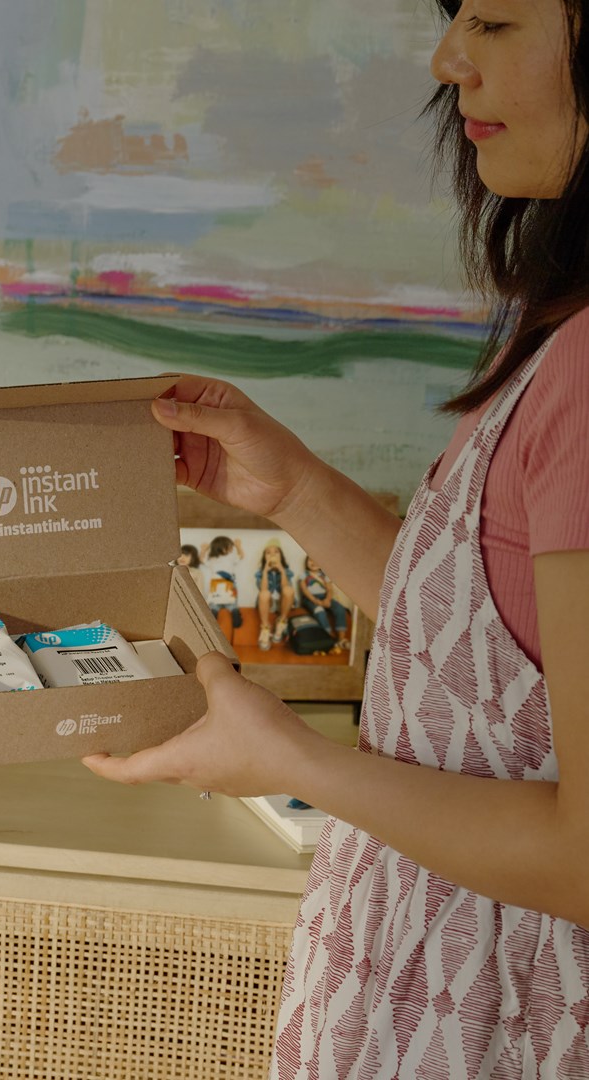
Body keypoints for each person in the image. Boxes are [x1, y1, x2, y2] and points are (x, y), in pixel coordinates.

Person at [83, 2, 589, 1075]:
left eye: (496, 23)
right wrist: (295, 492)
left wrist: (289, 758)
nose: (449, 62)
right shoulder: (567, 337)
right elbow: (494, 663)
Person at [296, 554, 349, 652]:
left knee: (340, 609)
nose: (313, 563)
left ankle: (341, 638)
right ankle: (329, 636)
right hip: (310, 599)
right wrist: (316, 601)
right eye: (310, 560)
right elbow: (305, 590)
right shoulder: (304, 575)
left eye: (316, 560)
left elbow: (329, 589)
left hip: (325, 597)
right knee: (320, 611)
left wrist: (327, 599)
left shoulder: (324, 575)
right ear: (306, 562)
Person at [253, 539, 294, 651]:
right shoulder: (260, 573)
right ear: (264, 557)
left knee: (288, 590)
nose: (272, 555)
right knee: (264, 593)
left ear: (281, 556)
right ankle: (265, 628)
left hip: (282, 603)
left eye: (276, 552)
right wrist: (265, 571)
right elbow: (263, 589)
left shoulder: (286, 571)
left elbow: (285, 588)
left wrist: (282, 571)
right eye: (268, 553)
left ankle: (281, 622)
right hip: (268, 604)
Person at [199, 534, 244, 638]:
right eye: (230, 547)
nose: (232, 549)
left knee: (215, 603)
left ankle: (214, 613)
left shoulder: (213, 559)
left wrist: (204, 550)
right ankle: (234, 611)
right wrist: (238, 546)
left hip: (217, 583)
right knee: (231, 602)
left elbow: (202, 559)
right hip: (227, 583)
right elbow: (241, 556)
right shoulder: (229, 558)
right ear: (223, 548)